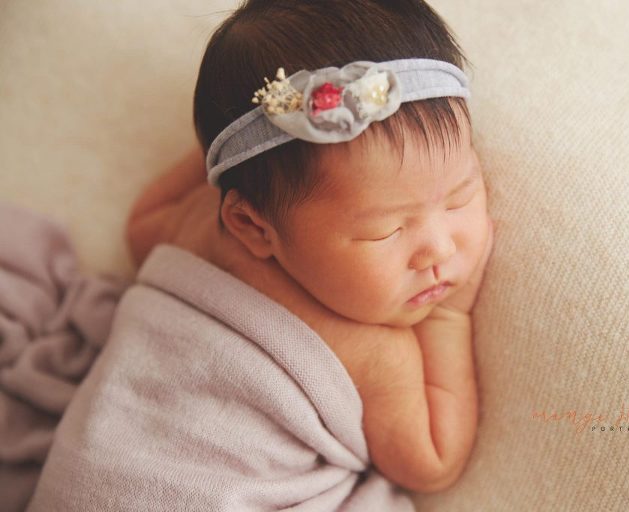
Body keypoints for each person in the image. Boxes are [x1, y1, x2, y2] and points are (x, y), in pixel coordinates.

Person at [128, 0, 494, 494]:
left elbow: (139, 228)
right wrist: (452, 317)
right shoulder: (377, 356)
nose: (438, 249)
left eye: (460, 196)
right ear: (253, 228)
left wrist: (233, 160)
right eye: (384, 232)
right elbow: (432, 463)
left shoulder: (196, 223)